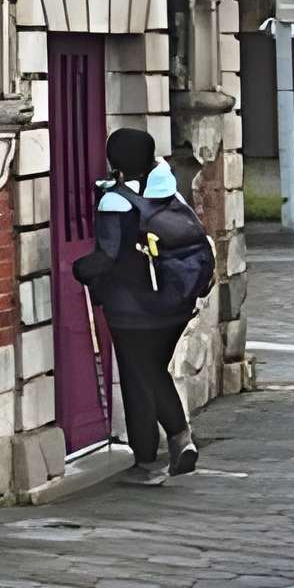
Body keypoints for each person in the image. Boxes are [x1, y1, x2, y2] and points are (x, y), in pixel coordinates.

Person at [71, 126, 215, 487]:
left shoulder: (116, 201)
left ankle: (159, 454)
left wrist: (78, 268)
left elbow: (107, 257)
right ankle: (168, 447)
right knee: (151, 370)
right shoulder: (169, 189)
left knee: (141, 377)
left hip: (133, 308)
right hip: (177, 303)